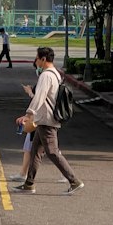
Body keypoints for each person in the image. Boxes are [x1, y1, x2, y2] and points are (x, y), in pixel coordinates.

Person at [15, 46, 82, 195]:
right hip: (44, 119)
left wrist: (28, 114)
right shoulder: (56, 74)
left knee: (52, 152)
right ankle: (29, 183)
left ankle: (74, 180)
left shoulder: (46, 76)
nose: (36, 61)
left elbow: (40, 97)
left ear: (43, 59)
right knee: (35, 152)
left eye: (37, 58)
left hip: (47, 120)